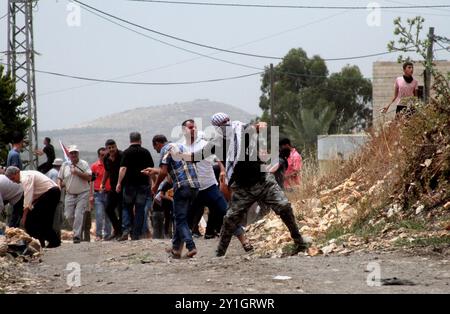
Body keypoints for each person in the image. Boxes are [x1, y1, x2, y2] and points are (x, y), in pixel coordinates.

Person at [189, 112, 308, 257]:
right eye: (222, 126)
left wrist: (262, 126)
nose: (227, 127)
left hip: (263, 180)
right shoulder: (217, 143)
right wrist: (179, 154)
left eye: (227, 123)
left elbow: (258, 127)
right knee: (230, 219)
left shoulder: (242, 130)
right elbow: (197, 156)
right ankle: (219, 254)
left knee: (284, 207)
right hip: (242, 187)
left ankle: (300, 242)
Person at [181, 119, 252, 251]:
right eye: (190, 127)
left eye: (195, 127)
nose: (193, 129)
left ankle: (245, 242)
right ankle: (177, 249)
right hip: (193, 189)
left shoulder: (204, 143)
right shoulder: (181, 146)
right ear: (184, 130)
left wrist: (223, 170)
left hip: (209, 187)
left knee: (227, 213)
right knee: (184, 218)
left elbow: (218, 157)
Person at [145, 135, 200, 258]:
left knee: (180, 219)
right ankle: (176, 249)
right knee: (179, 217)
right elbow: (170, 177)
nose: (157, 151)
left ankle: (191, 247)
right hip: (195, 186)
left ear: (157, 144)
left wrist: (155, 187)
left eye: (155, 148)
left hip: (182, 187)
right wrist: (156, 174)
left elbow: (164, 172)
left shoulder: (166, 149)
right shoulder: (182, 147)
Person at [6, 167, 61, 248]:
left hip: (51, 193)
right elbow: (33, 195)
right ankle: (43, 241)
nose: (14, 181)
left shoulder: (25, 178)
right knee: (40, 219)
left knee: (35, 219)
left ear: (17, 173)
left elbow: (28, 196)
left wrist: (24, 217)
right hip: (49, 193)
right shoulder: (26, 175)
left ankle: (51, 241)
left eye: (13, 178)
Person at [116, 132, 154, 241]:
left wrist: (119, 183)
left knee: (127, 207)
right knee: (140, 209)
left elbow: (123, 169)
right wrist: (151, 184)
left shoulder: (126, 153)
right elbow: (150, 170)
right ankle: (136, 234)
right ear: (140, 140)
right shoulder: (146, 152)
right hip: (143, 185)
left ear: (130, 140)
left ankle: (126, 229)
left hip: (129, 185)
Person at [58, 145, 92, 244]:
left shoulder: (84, 164)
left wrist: (77, 172)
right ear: (69, 154)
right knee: (68, 215)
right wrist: (58, 186)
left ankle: (76, 236)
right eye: (71, 153)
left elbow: (89, 177)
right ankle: (77, 230)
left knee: (78, 214)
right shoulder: (65, 165)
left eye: (75, 153)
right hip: (69, 194)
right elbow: (60, 178)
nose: (73, 155)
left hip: (82, 193)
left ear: (78, 154)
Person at [101, 139, 123, 240]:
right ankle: (118, 230)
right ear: (106, 149)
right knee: (108, 208)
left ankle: (122, 232)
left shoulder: (122, 155)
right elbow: (107, 171)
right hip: (113, 187)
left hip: (124, 186)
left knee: (122, 209)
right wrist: (103, 183)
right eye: (109, 148)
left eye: (113, 147)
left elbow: (125, 169)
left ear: (116, 146)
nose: (111, 149)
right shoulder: (106, 158)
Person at [90, 147, 112, 241]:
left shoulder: (111, 165)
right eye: (102, 155)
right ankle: (98, 235)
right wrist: (90, 195)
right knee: (99, 214)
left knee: (108, 215)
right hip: (98, 194)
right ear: (99, 156)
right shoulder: (94, 166)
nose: (104, 157)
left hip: (109, 193)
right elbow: (91, 181)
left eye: (105, 155)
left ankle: (107, 235)